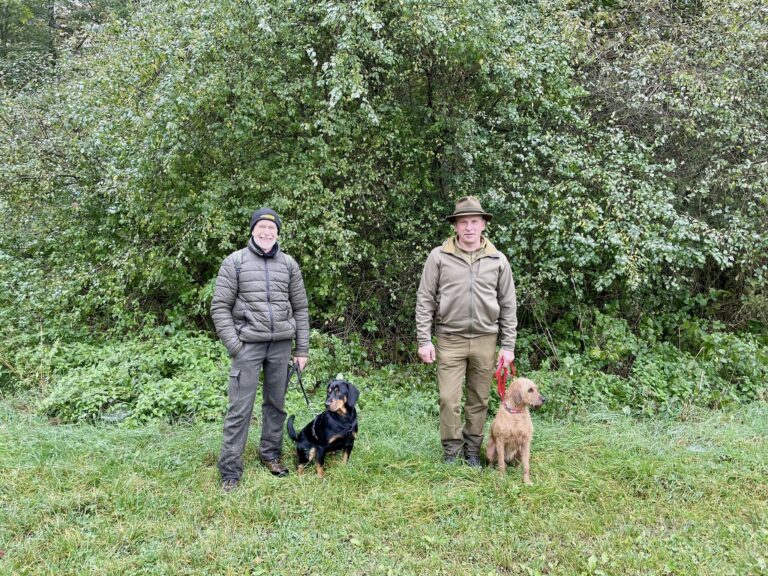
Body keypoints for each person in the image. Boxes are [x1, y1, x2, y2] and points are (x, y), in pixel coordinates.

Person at [211, 207, 310, 491]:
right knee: (240, 409)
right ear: (253, 230)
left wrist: (301, 349)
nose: (267, 233)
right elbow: (219, 307)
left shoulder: (289, 264)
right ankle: (230, 470)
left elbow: (301, 308)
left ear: (278, 233)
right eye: (262, 228)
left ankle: (271, 454)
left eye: (272, 229)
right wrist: (235, 345)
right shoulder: (236, 262)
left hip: (281, 345)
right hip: (248, 347)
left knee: (276, 406)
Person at [415, 196, 517, 467]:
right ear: (456, 226)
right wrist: (424, 339)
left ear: (483, 224)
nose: (469, 227)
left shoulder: (498, 259)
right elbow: (425, 299)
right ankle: (451, 450)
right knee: (449, 398)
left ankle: (473, 450)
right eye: (463, 222)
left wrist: (508, 346)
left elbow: (508, 304)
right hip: (449, 339)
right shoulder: (439, 256)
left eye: (474, 221)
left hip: (486, 339)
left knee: (479, 399)